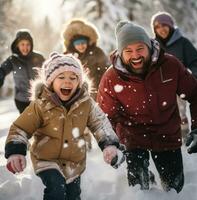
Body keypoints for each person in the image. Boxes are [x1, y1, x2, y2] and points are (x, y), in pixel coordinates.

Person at [97, 20, 197, 193]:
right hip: (132, 139)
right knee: (140, 192)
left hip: (167, 136)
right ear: (121, 53)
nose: (135, 55)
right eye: (128, 51)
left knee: (175, 191)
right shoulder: (111, 77)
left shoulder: (170, 65)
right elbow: (105, 115)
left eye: (140, 48)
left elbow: (196, 94)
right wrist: (111, 144)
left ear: (149, 46)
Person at [5, 53, 124, 200]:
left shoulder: (85, 103)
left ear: (79, 82)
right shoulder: (41, 105)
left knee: (73, 195)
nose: (67, 82)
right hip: (46, 160)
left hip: (74, 163)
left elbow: (100, 123)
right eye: (61, 77)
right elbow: (20, 128)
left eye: (73, 78)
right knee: (56, 190)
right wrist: (15, 150)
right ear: (50, 82)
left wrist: (109, 145)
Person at [151, 11, 197, 142]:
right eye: (157, 27)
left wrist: (192, 76)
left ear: (171, 26)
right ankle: (166, 138)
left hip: (178, 84)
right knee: (162, 114)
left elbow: (196, 62)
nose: (161, 29)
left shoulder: (183, 43)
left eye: (164, 25)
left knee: (179, 111)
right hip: (159, 86)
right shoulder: (153, 45)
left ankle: (183, 137)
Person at [0, 29, 45, 113]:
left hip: (38, 98)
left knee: (39, 123)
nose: (25, 47)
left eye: (28, 44)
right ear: (17, 45)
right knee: (27, 123)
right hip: (21, 100)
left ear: (31, 45)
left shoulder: (39, 57)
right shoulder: (12, 60)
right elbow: (2, 70)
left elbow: (48, 71)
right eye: (22, 44)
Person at [62, 19, 109, 99]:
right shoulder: (67, 56)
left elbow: (105, 71)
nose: (81, 46)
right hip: (73, 94)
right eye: (77, 43)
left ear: (87, 42)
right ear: (73, 45)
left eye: (83, 43)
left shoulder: (96, 52)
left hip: (95, 92)